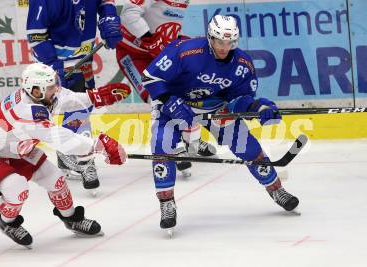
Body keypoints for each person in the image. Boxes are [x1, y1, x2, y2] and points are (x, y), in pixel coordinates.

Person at [142, 15, 299, 235]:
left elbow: (240, 100)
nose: (225, 48)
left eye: (230, 42)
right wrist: (169, 101)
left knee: (247, 145)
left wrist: (259, 107)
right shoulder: (184, 50)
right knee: (162, 144)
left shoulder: (242, 64)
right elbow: (150, 77)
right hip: (174, 105)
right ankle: (167, 203)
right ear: (210, 38)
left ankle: (276, 189)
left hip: (214, 108)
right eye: (220, 42)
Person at [0, 63, 130, 247]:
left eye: (53, 85)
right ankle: (7, 222)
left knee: (55, 179)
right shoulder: (26, 112)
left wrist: (95, 97)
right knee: (17, 189)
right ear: (35, 90)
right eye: (50, 87)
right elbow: (62, 139)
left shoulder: (38, 96)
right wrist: (99, 145)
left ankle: (71, 218)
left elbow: (65, 99)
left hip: (13, 147)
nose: (55, 90)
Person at [26, 0, 123, 192]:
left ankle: (76, 155)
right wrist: (52, 64)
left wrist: (108, 16)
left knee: (81, 104)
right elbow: (36, 36)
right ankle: (75, 154)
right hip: (52, 62)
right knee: (48, 111)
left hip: (83, 57)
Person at [115, 0, 217, 178]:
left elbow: (164, 21)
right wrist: (148, 38)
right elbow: (129, 13)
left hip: (159, 53)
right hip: (133, 53)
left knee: (185, 90)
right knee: (157, 97)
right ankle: (171, 145)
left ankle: (191, 138)